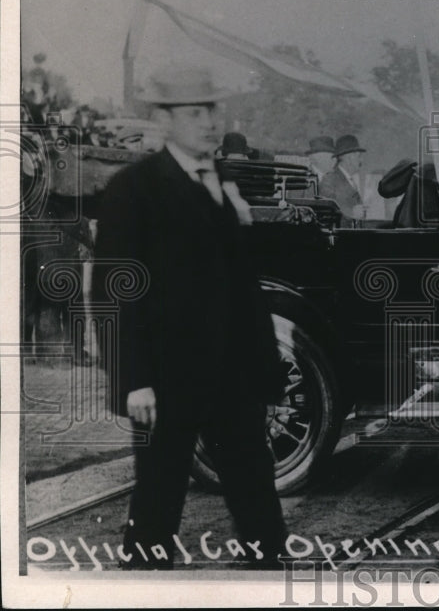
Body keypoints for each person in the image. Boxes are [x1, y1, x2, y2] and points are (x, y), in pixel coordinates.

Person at [94, 65, 286, 569]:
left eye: (214, 110)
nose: (210, 122)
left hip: (233, 382)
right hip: (166, 383)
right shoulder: (133, 189)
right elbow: (115, 293)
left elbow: (242, 290)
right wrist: (134, 380)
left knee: (257, 500)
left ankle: (273, 586)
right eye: (196, 112)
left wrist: (265, 372)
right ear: (164, 119)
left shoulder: (220, 184)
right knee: (158, 505)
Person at [321, 134, 367, 222]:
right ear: (349, 158)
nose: (361, 160)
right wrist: (351, 213)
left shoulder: (350, 180)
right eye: (359, 156)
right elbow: (326, 210)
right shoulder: (329, 180)